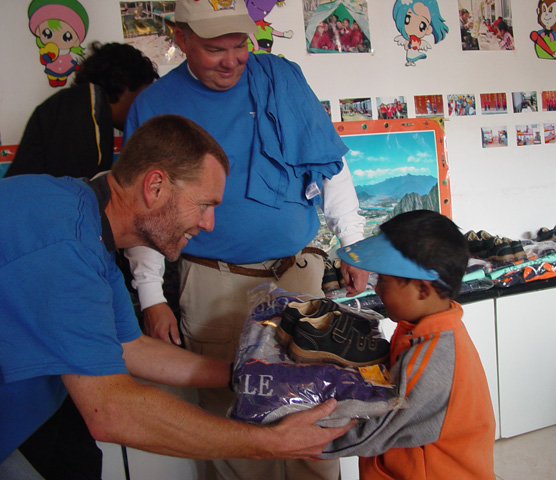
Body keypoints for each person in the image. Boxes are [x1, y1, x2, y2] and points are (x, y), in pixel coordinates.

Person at [0, 114, 353, 479]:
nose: (209, 224)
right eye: (204, 205)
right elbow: (112, 412)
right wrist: (270, 443)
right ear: (155, 186)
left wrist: (255, 375)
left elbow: (130, 347)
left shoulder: (87, 221)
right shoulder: (64, 242)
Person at [122, 1, 368, 479]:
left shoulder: (281, 78)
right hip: (214, 282)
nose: (232, 60)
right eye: (216, 49)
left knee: (312, 396)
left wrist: (352, 242)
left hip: (299, 274)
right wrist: (151, 296)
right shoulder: (155, 106)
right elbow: (143, 211)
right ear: (182, 37)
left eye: (240, 45)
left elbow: (329, 165)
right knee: (229, 407)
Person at [5, 40, 158, 480]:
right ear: (123, 87)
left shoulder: (67, 105)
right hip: (41, 270)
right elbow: (82, 217)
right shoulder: (84, 118)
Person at [319, 210, 496, 479]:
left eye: (384, 280)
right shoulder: (424, 328)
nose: (376, 289)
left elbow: (372, 432)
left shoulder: (432, 357)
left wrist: (292, 435)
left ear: (423, 290)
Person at [6, 41, 158, 179]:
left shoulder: (81, 105)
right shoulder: (87, 106)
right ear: (124, 85)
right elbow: (82, 189)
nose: (144, 108)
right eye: (142, 96)